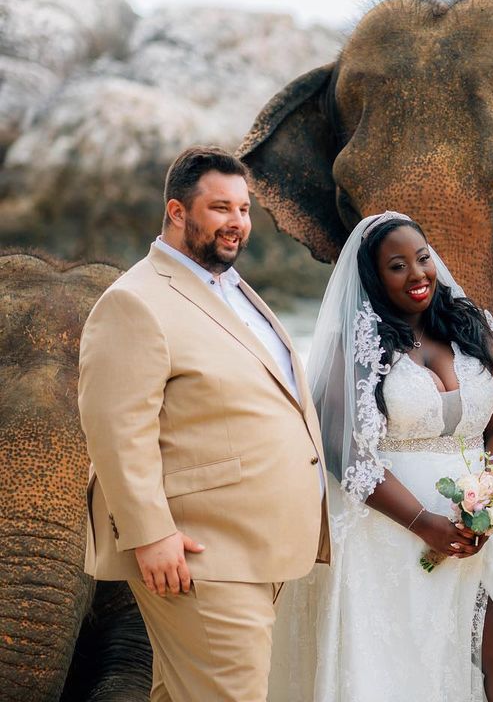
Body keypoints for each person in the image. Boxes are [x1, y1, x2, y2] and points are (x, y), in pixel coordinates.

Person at [269, 211, 493, 702]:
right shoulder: (353, 347)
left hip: (480, 526)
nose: (417, 274)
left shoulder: (470, 328)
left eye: (423, 258)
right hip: (389, 533)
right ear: (375, 278)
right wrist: (423, 523)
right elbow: (342, 451)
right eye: (398, 266)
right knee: (409, 669)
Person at [78, 145, 331, 701]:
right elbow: (117, 430)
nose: (237, 223)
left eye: (243, 210)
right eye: (220, 208)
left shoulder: (233, 291)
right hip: (199, 553)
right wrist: (152, 535)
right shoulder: (136, 302)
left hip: (257, 546)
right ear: (177, 211)